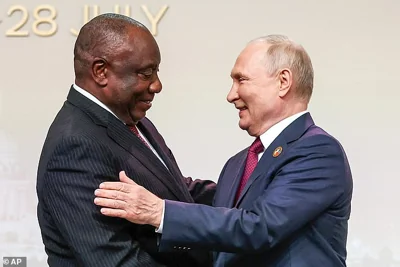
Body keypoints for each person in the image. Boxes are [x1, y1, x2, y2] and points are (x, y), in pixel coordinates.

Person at [94, 35, 353, 267]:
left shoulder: (317, 150)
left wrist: (159, 212)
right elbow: (214, 216)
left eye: (241, 80)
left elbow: (259, 228)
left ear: (283, 81)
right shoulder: (237, 164)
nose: (231, 95)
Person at [36, 13, 215, 267]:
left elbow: (175, 189)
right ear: (100, 71)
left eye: (156, 72)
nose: (157, 85)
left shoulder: (131, 119)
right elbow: (116, 261)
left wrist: (250, 193)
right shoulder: (75, 145)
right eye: (146, 73)